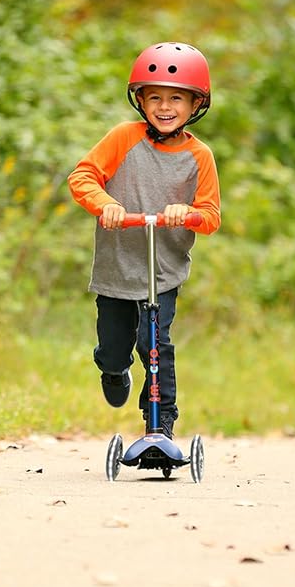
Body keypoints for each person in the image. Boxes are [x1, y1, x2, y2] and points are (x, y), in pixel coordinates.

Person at [67, 41, 221, 439]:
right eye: (155, 97)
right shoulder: (123, 137)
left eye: (176, 98)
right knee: (116, 345)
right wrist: (105, 204)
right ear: (140, 100)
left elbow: (210, 215)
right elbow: (82, 177)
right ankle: (113, 369)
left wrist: (186, 213)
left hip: (163, 271)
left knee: (155, 342)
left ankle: (161, 423)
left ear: (195, 105)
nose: (165, 107)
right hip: (118, 267)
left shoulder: (200, 156)